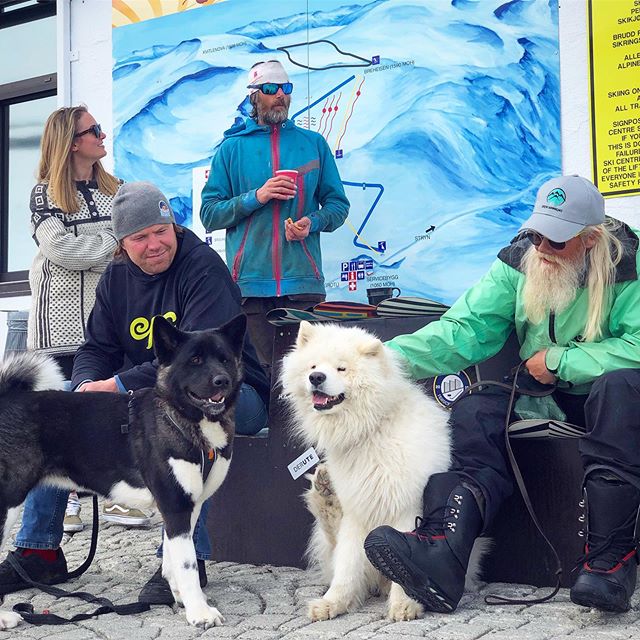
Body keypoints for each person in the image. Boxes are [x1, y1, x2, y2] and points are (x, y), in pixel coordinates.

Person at [363, 175, 640, 614]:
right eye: (536, 234)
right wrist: (377, 359)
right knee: (473, 408)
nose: (543, 247)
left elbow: (637, 346)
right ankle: (442, 555)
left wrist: (560, 362)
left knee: (619, 386)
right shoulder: (519, 260)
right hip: (544, 394)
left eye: (557, 240)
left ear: (590, 239)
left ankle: (612, 563)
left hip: (616, 399)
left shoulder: (631, 265)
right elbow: (465, 329)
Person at [0, 181, 270, 606]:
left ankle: (183, 559)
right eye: (140, 237)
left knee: (178, 417)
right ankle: (38, 550)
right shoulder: (116, 277)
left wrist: (118, 384)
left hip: (234, 395)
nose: (154, 244)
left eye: (161, 231)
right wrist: (87, 386)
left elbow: (198, 356)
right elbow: (96, 347)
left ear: (173, 226)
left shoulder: (203, 267)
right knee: (54, 413)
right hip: (150, 397)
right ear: (123, 244)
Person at [200, 59, 350, 370]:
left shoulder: (314, 144)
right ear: (254, 95)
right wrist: (257, 197)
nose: (280, 94)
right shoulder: (230, 149)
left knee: (310, 376)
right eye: (271, 88)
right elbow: (209, 214)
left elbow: (338, 206)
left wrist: (313, 222)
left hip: (303, 287)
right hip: (250, 290)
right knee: (263, 379)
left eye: (286, 88)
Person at [26, 105, 122, 534]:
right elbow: (61, 249)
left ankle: (118, 494)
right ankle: (52, 525)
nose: (103, 135)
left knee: (110, 413)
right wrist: (113, 241)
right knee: (58, 427)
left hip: (105, 325)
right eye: (93, 130)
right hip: (59, 327)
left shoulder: (115, 190)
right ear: (71, 142)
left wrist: (99, 246)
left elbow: (122, 247)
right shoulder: (44, 194)